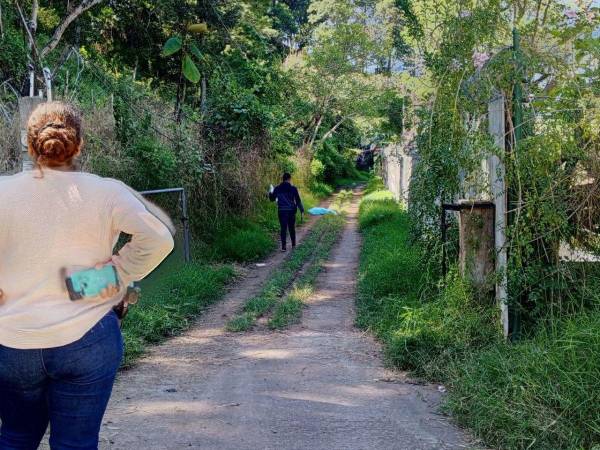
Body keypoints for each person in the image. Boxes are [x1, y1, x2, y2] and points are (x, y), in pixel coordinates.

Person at [0, 101, 175, 450]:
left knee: (16, 436)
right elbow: (158, 239)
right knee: (76, 443)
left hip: (12, 340)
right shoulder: (106, 191)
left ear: (29, 145)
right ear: (78, 145)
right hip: (88, 337)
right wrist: (107, 278)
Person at [269, 172, 304, 252]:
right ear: (289, 179)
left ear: (283, 179)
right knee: (291, 228)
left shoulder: (277, 188)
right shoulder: (293, 188)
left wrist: (270, 192)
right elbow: (298, 201)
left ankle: (283, 247)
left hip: (281, 211)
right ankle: (293, 244)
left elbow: (272, 199)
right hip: (291, 211)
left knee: (283, 228)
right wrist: (302, 210)